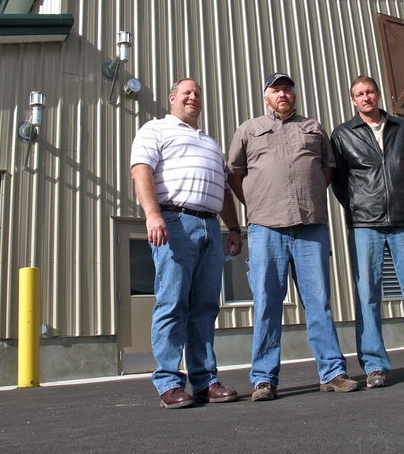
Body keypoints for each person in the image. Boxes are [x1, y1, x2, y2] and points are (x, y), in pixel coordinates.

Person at [227, 72, 359, 401]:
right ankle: (264, 379)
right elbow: (235, 174)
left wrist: (308, 194)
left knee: (318, 304)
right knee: (267, 305)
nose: (283, 94)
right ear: (265, 96)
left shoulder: (313, 128)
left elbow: (327, 170)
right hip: (266, 228)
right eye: (276, 89)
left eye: (287, 89)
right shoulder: (248, 129)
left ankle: (332, 372)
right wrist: (257, 201)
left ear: (293, 95)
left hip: (310, 226)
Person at [331, 75, 404, 388]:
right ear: (353, 100)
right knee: (368, 295)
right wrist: (358, 206)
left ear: (378, 94)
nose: (366, 97)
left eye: (370, 91)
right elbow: (340, 182)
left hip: (403, 220)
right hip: (364, 223)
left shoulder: (403, 128)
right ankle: (374, 365)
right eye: (359, 94)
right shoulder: (343, 134)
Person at [130, 78, 244, 409]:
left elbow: (223, 190)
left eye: (197, 94)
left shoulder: (210, 143)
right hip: (175, 223)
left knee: (205, 307)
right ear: (172, 99)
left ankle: (205, 380)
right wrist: (153, 214)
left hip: (210, 227)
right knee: (173, 302)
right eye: (186, 93)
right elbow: (141, 171)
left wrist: (233, 227)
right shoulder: (156, 130)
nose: (192, 97)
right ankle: (168, 382)